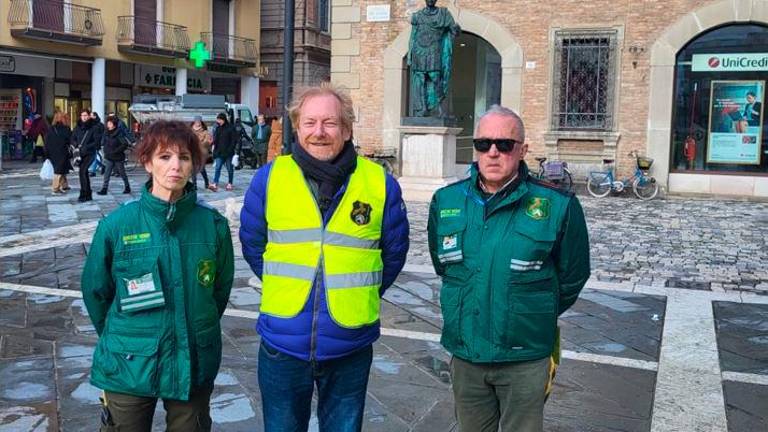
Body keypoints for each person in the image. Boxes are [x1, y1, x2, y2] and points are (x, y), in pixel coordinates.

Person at [239, 83, 410, 432]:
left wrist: (354, 291)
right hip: (282, 341)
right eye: (310, 122)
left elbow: (394, 253)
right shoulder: (270, 178)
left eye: (330, 123)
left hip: (350, 343)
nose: (319, 132)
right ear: (297, 127)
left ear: (346, 129)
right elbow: (253, 245)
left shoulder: (379, 182)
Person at [427, 105, 591, 432]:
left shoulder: (558, 205)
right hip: (467, 351)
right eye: (483, 143)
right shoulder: (446, 200)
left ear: (522, 150)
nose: (492, 153)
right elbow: (443, 265)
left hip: (524, 356)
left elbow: (573, 276)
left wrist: (532, 312)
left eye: (504, 145)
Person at [81, 120, 234, 432]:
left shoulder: (212, 225)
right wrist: (124, 338)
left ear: (194, 165)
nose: (175, 166)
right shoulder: (117, 226)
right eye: (165, 157)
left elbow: (218, 291)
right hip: (129, 362)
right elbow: (96, 293)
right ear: (147, 162)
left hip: (193, 359)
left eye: (184, 158)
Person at [407, 0, 460, 117]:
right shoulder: (418, 16)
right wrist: (410, 53)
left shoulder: (443, 14)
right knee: (420, 80)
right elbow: (413, 35)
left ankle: (441, 108)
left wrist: (456, 29)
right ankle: (422, 109)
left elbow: (454, 31)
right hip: (419, 51)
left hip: (434, 51)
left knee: (435, 78)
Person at [97, 115, 132, 195]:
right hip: (109, 156)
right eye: (107, 123)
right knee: (107, 173)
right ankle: (104, 189)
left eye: (110, 123)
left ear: (114, 124)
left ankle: (127, 187)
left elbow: (124, 144)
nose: (108, 124)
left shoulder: (118, 133)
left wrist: (116, 151)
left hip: (118, 157)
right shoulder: (106, 132)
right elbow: (104, 142)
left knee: (122, 173)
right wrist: (104, 150)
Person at [72, 109, 100, 202]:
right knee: (83, 173)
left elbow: (96, 142)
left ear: (89, 116)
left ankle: (83, 193)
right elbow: (73, 138)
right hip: (80, 154)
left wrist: (86, 146)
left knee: (82, 171)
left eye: (85, 115)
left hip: (90, 153)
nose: (83, 117)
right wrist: (75, 144)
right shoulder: (77, 127)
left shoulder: (94, 127)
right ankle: (88, 193)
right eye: (82, 115)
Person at [44, 112, 73, 194]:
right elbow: (69, 140)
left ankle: (64, 185)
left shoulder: (51, 129)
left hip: (52, 152)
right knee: (59, 170)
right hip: (62, 151)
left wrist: (46, 154)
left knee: (61, 168)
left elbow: (46, 142)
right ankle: (55, 188)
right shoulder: (66, 129)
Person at [210, 112, 236, 191]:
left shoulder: (231, 128)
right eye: (218, 120)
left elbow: (233, 141)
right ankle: (215, 183)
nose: (218, 121)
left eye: (220, 120)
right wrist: (214, 151)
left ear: (224, 119)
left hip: (228, 153)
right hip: (219, 153)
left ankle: (230, 183)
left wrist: (230, 150)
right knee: (217, 168)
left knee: (229, 169)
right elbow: (216, 140)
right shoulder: (218, 128)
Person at [192, 116, 213, 189]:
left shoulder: (205, 131)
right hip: (193, 152)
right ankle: (194, 185)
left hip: (201, 152)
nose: (198, 123)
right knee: (193, 169)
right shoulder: (190, 130)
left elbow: (208, 141)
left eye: (199, 121)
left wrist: (200, 143)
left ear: (201, 122)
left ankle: (206, 182)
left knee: (201, 169)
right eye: (196, 121)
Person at [88, 111, 106, 177]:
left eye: (91, 115)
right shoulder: (89, 124)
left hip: (96, 143)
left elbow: (103, 134)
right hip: (90, 143)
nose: (90, 116)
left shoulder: (100, 125)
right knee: (92, 157)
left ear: (95, 116)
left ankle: (93, 171)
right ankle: (103, 166)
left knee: (94, 157)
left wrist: (101, 142)